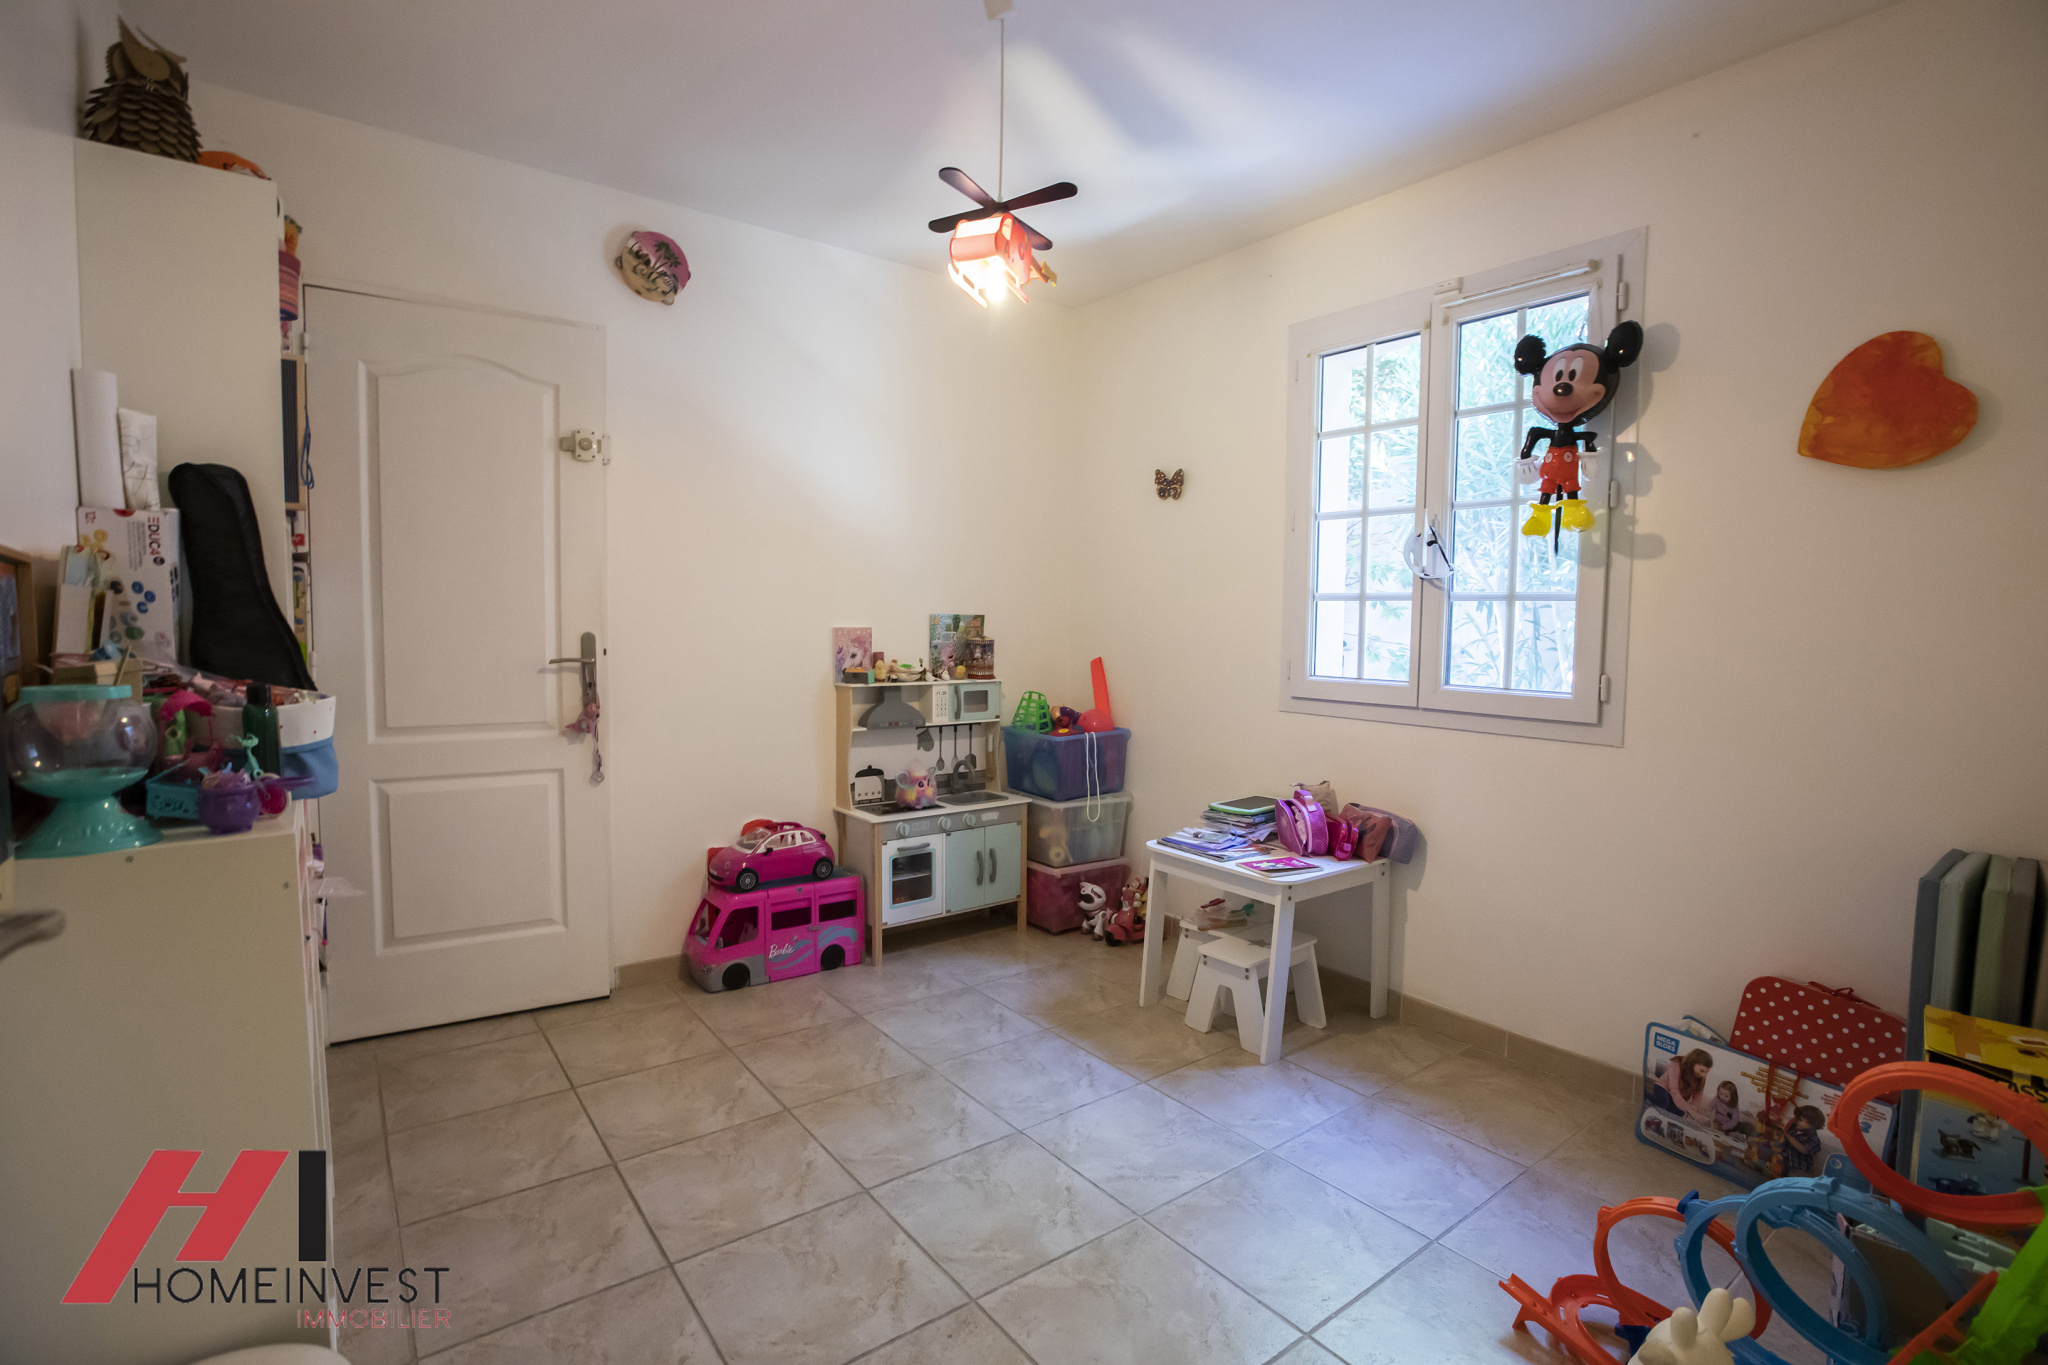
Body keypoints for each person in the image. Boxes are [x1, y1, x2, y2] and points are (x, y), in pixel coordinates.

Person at [1652, 1048, 1716, 1125]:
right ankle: (1649, 1098)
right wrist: (1690, 1110)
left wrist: (1693, 1107)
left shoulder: (1701, 1076)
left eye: (1706, 1073)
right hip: (1664, 1088)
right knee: (1663, 1106)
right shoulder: (1677, 1064)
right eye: (1702, 1071)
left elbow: (1698, 1094)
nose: (1703, 1075)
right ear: (1692, 1063)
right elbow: (1674, 1090)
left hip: (1678, 1097)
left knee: (1678, 1115)